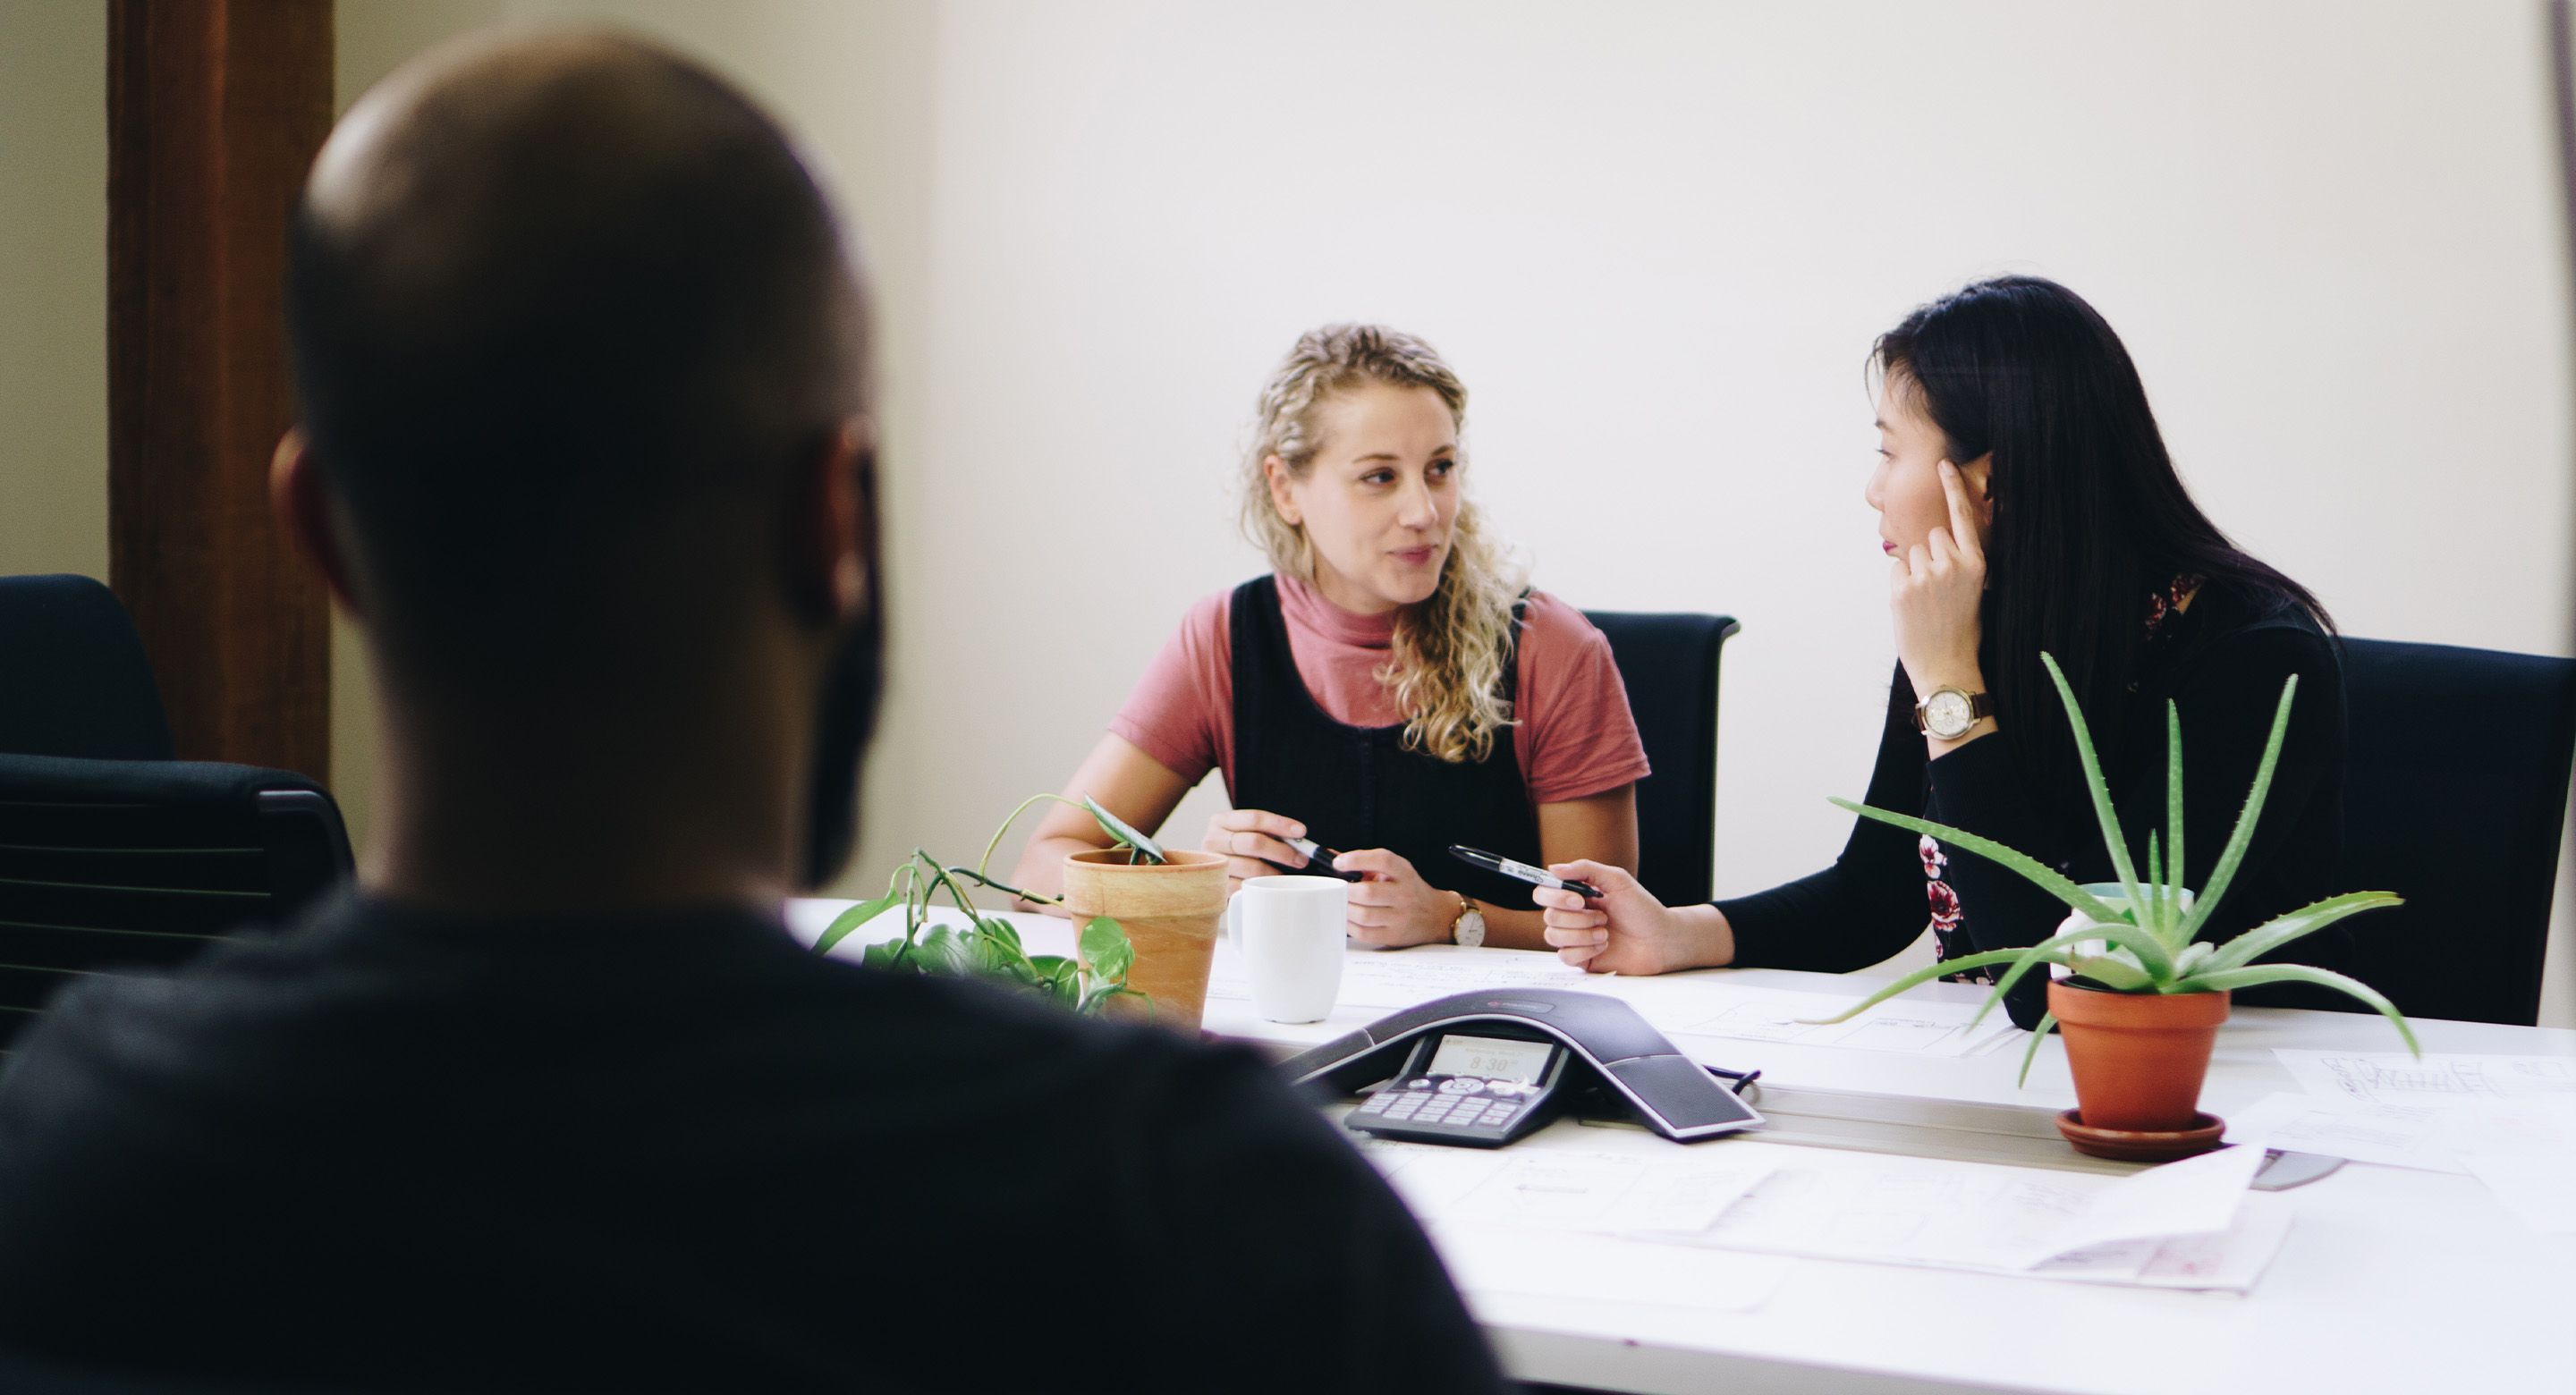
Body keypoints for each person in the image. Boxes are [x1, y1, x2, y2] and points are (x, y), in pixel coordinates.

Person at [0, 33, 1504, 1393]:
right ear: (832, 520)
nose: (1418, 507)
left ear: (322, 535)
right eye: (1380, 473)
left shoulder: (60, 1158)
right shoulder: (1205, 1217)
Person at [1535, 275, 2351, 1027]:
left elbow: (2067, 983)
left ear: (1988, 482)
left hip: (2216, 1100)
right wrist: (1672, 934)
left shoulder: (2256, 662)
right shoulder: (1968, 617)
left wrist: (1951, 684)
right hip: (2021, 1086)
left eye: (1890, 451)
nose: (1872, 488)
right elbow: (1874, 894)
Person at [1013, 325, 1648, 951]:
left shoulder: (1552, 648)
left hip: (1497, 1042)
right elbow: (1040, 872)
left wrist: (1450, 918)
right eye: (1379, 477)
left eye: (1439, 469)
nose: (1424, 511)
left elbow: (1608, 925)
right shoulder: (1223, 638)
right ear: (1286, 488)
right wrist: (1191, 881)